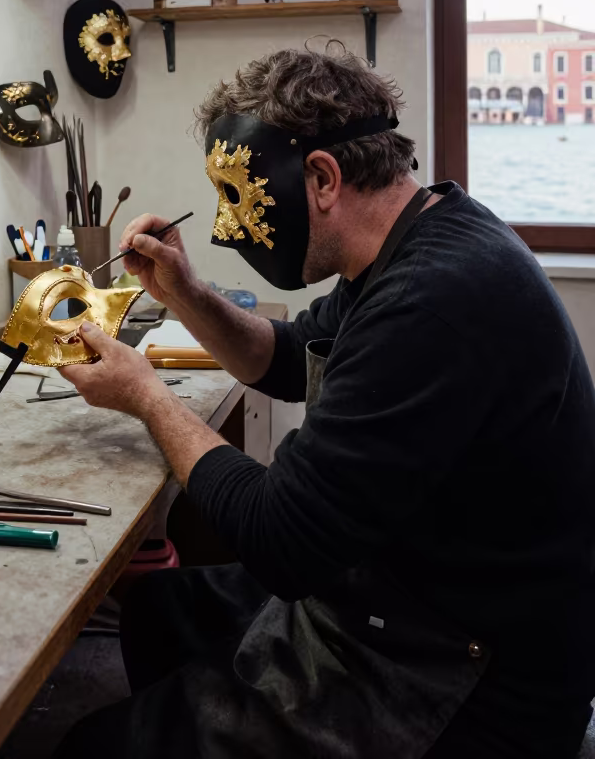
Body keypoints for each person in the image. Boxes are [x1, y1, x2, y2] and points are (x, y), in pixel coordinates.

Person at [56, 49, 595, 759]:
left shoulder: (432, 300)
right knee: (160, 613)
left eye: (238, 196)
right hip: (407, 586)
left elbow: (283, 540)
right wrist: (184, 289)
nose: (228, 227)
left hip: (467, 669)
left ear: (320, 178)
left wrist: (147, 397)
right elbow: (283, 358)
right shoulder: (414, 239)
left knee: (87, 748)